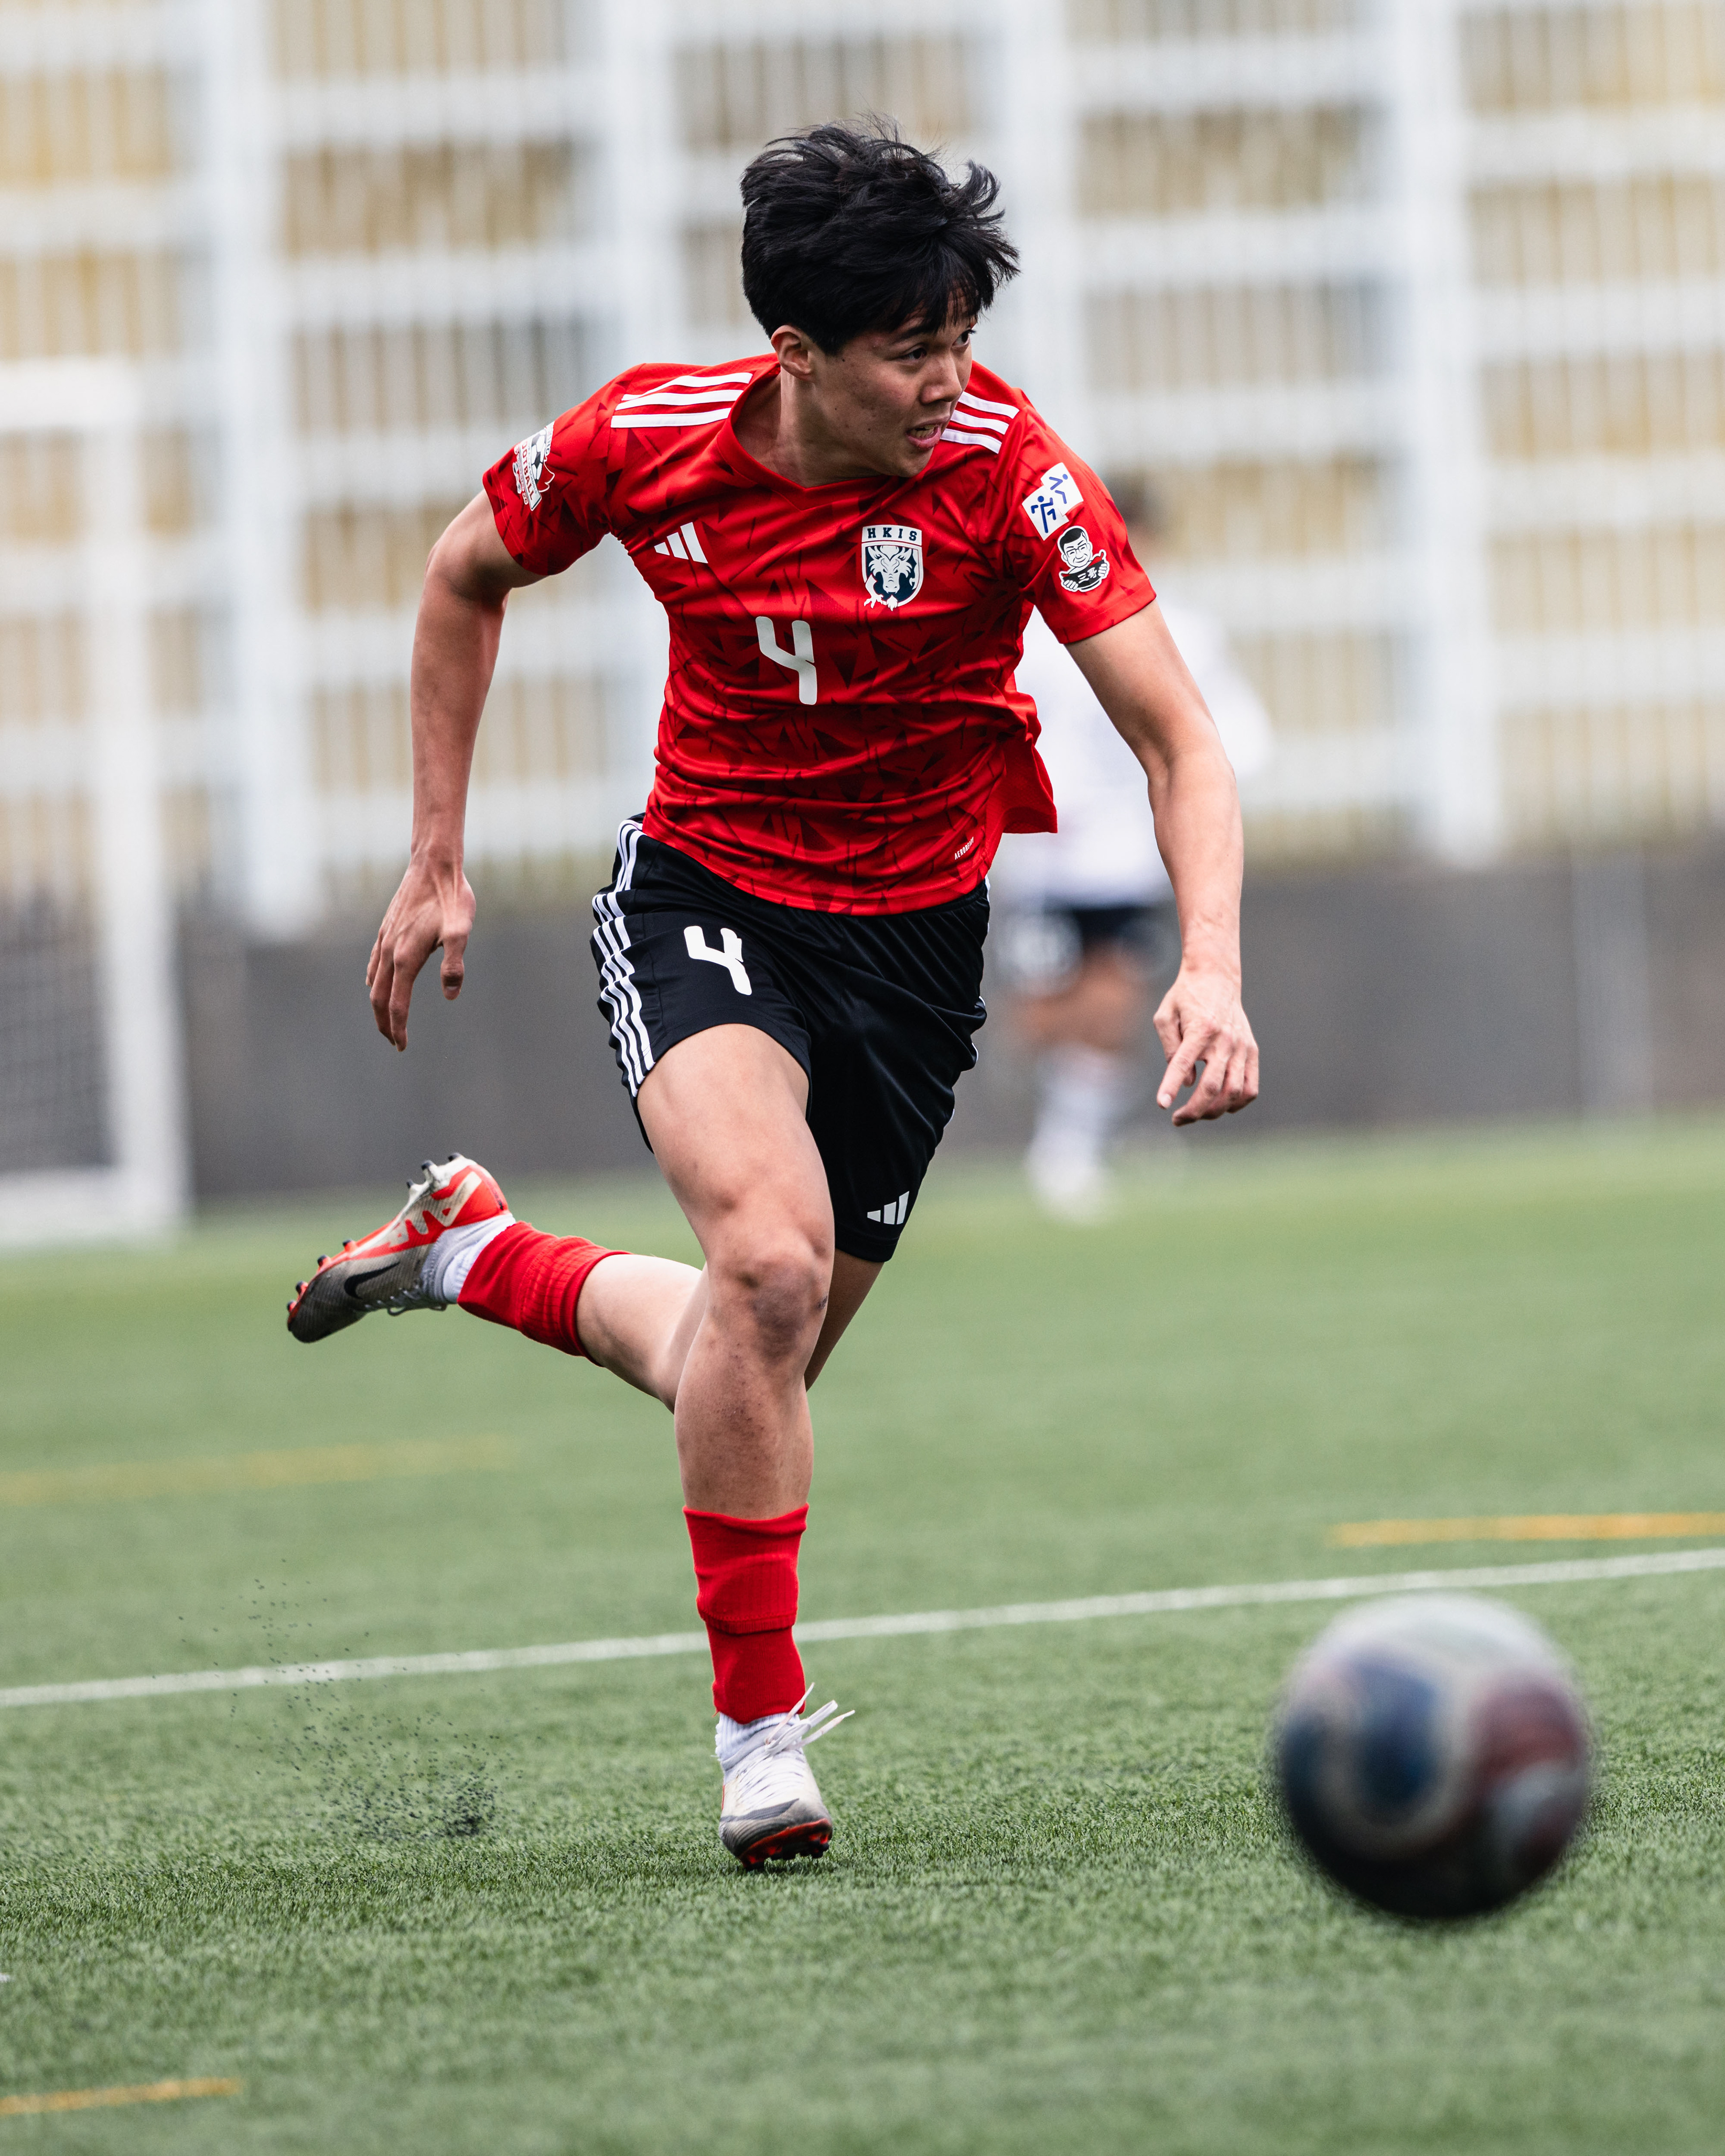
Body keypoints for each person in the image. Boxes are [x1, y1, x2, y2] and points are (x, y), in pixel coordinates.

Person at [284, 125, 1259, 1868]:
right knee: (772, 1264)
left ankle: (474, 1252)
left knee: (754, 1348)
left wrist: (1212, 965)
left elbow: (1178, 733)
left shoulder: (1008, 472)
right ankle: (759, 1744)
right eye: (911, 352)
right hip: (706, 900)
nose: (950, 385)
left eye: (963, 342)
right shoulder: (646, 443)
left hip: (916, 946)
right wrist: (435, 849)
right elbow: (462, 574)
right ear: (797, 354)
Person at [995, 481, 1273, 1216]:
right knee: (1043, 1017)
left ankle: (1069, 1149)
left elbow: (1235, 738)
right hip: (1045, 858)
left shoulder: (1184, 633)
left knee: (1113, 1001)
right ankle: (1089, 1124)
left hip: (1126, 856)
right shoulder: (1034, 633)